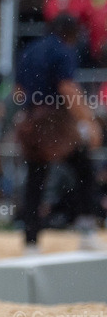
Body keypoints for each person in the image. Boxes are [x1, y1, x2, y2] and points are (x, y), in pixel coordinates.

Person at [15, 14, 104, 253]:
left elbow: (18, 90)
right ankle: (85, 228)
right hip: (55, 121)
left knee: (35, 180)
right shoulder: (62, 51)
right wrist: (90, 121)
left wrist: (31, 110)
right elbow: (67, 89)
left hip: (30, 119)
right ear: (70, 33)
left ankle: (31, 241)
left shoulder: (30, 50)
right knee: (83, 168)